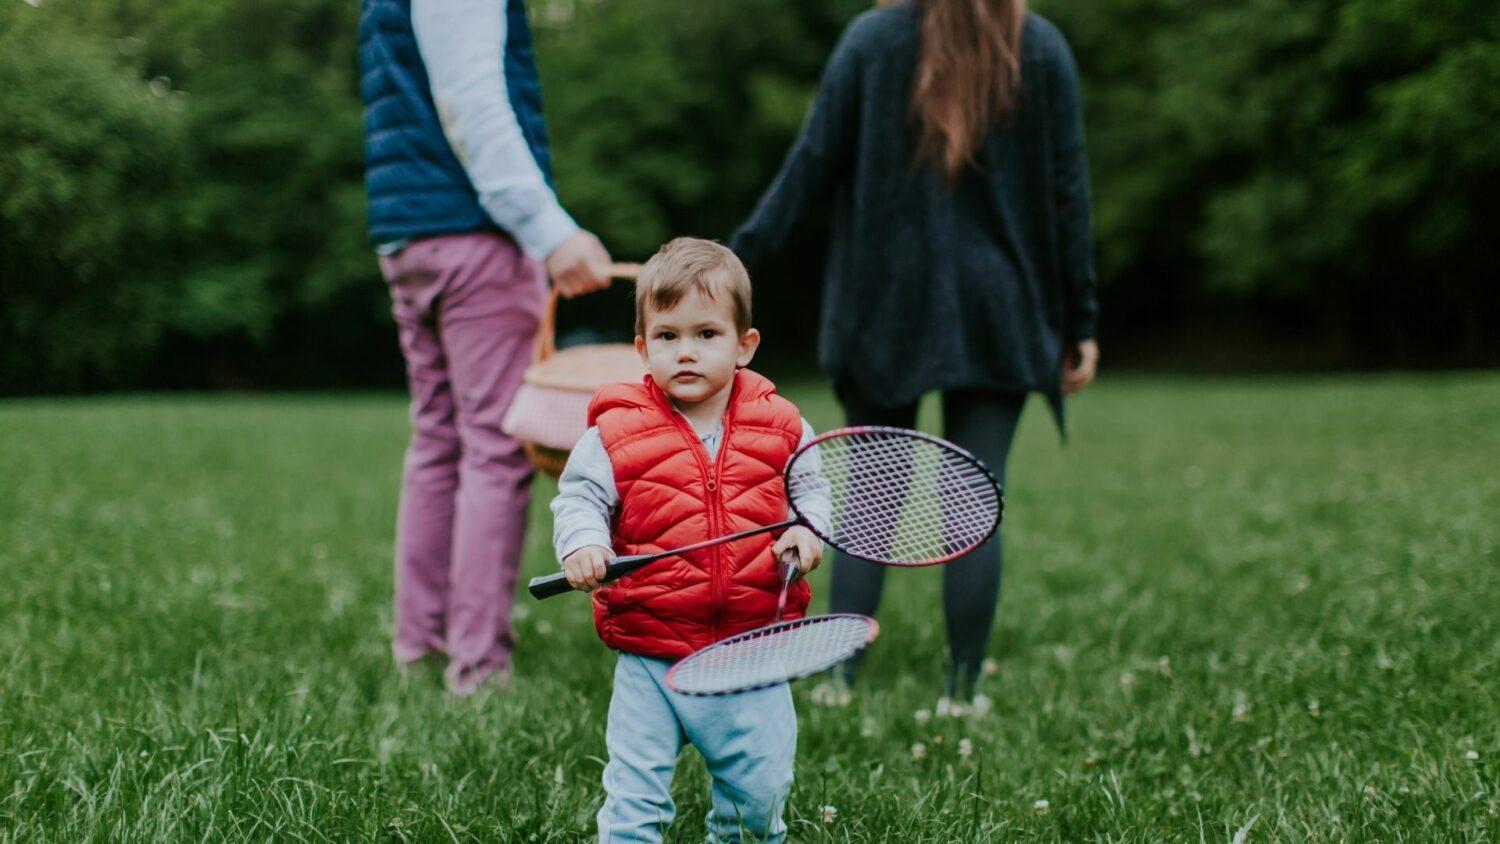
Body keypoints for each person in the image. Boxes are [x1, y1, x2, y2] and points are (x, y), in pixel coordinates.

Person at [729, 0, 1101, 706]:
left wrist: (728, 263)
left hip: (884, 306)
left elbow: (808, 167)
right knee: (974, 499)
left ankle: (839, 679)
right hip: (1002, 309)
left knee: (870, 500)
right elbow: (1069, 196)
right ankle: (962, 691)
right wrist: (1080, 319)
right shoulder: (1041, 45)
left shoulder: (873, 40)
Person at [358, 0, 616, 695]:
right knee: (496, 440)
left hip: (408, 229)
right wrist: (549, 230)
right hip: (473, 231)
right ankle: (477, 667)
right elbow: (471, 100)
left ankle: (420, 648)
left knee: (440, 438)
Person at [551, 238, 826, 842]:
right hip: (650, 648)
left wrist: (807, 534)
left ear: (744, 345)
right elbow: (578, 499)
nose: (687, 353)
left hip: (750, 649)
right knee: (633, 800)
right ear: (643, 348)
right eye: (668, 337)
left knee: (758, 799)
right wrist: (582, 544)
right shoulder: (616, 430)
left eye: (707, 335)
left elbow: (810, 493)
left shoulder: (783, 424)